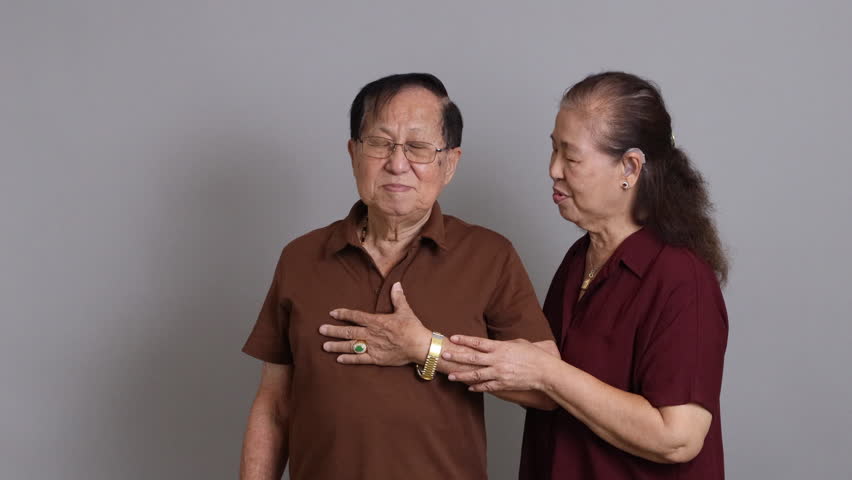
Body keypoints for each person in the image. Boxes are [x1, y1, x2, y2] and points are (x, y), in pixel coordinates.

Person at [239, 72, 556, 480]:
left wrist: (427, 350)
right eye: (379, 143)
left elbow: (546, 388)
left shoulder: (489, 255)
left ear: (449, 163)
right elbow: (274, 407)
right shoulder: (300, 258)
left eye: (418, 147)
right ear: (353, 153)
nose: (397, 164)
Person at [442, 71, 730, 479]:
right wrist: (425, 348)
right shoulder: (579, 260)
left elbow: (678, 437)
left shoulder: (682, 278)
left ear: (630, 167)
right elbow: (543, 389)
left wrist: (547, 373)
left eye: (571, 157)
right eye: (553, 149)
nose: (553, 169)